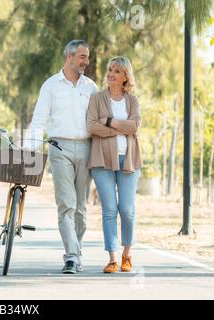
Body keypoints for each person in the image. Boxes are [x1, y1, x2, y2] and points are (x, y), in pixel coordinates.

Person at [25, 40, 98, 274]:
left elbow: (98, 119)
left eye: (87, 57)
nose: (87, 62)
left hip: (86, 148)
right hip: (60, 148)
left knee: (81, 208)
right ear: (69, 57)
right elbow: (39, 119)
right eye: (82, 57)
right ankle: (72, 257)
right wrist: (31, 149)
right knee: (66, 204)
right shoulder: (51, 86)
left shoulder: (91, 87)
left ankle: (76, 253)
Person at [87, 56, 142, 273]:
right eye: (110, 70)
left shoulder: (132, 101)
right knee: (109, 209)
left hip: (128, 159)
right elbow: (92, 126)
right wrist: (121, 128)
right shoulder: (97, 99)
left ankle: (127, 254)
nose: (111, 74)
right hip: (102, 159)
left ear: (125, 76)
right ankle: (112, 258)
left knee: (127, 210)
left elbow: (135, 126)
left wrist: (108, 122)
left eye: (116, 71)